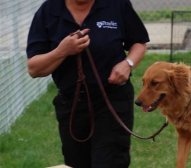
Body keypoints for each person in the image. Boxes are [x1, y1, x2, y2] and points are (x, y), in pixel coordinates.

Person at [26, 0, 149, 167]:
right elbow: (34, 69)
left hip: (112, 100)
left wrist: (128, 63)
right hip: (72, 105)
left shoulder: (117, 5)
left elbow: (139, 43)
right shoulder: (48, 11)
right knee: (76, 163)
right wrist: (62, 51)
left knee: (109, 161)